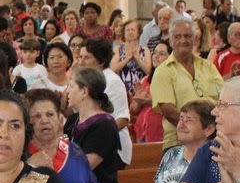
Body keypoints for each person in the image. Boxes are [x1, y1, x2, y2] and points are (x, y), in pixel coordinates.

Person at [151, 17, 224, 148]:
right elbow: (169, 111)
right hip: (179, 144)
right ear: (171, 41)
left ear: (194, 39)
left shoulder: (208, 66)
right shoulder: (163, 71)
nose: (183, 40)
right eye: (177, 37)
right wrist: (199, 131)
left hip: (213, 138)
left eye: (187, 36)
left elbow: (223, 99)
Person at [64, 66, 124, 183]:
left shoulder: (104, 125)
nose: (67, 91)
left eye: (71, 86)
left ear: (84, 92)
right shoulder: (73, 120)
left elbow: (85, 165)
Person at [78, 38, 133, 167]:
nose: (81, 62)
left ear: (101, 61)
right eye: (80, 57)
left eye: (87, 58)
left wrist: (97, 137)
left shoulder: (112, 81)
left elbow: (122, 119)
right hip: (89, 143)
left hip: (111, 148)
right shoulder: (82, 81)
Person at [131, 39, 172, 143]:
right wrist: (138, 101)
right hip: (141, 133)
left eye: (162, 54)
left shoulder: (172, 81)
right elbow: (133, 110)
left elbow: (172, 109)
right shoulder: (145, 80)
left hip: (161, 134)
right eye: (155, 53)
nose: (156, 56)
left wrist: (150, 102)